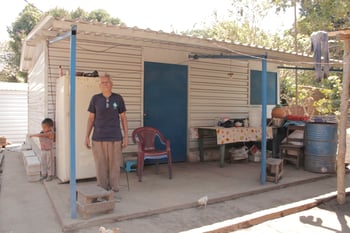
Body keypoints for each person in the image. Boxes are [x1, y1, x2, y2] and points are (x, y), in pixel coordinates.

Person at [85, 73, 128, 193]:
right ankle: (102, 189)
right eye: (103, 82)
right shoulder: (95, 99)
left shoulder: (118, 98)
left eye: (107, 82)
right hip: (98, 137)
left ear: (111, 84)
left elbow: (124, 118)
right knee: (100, 165)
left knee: (114, 165)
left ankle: (114, 189)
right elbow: (91, 119)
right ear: (100, 85)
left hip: (115, 137)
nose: (105, 84)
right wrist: (86, 136)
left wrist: (126, 136)